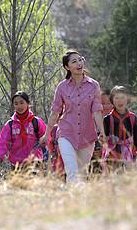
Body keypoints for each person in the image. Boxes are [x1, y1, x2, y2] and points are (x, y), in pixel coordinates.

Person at [39, 49, 106, 182]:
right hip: (66, 133)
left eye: (80, 60)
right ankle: (72, 198)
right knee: (72, 171)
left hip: (88, 136)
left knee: (82, 174)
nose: (79, 63)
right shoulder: (62, 87)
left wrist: (102, 133)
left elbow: (97, 111)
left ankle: (77, 201)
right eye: (74, 62)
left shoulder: (93, 85)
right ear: (67, 67)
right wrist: (47, 135)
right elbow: (55, 112)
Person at [0, 91, 48, 170]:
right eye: (16, 104)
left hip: (35, 162)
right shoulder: (10, 124)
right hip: (16, 165)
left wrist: (43, 142)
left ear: (28, 103)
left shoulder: (36, 121)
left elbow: (46, 135)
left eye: (21, 103)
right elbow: (3, 141)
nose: (19, 106)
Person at [102, 86, 137, 171]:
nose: (120, 101)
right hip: (113, 155)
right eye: (117, 98)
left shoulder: (133, 118)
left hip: (129, 153)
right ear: (112, 100)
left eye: (123, 97)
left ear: (127, 99)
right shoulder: (107, 119)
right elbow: (104, 137)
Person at [90, 89, 113, 174]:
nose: (106, 106)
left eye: (108, 103)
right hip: (93, 156)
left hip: (110, 156)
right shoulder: (92, 119)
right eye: (103, 103)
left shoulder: (115, 119)